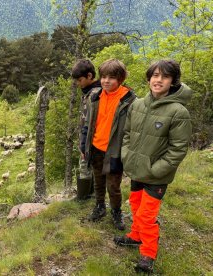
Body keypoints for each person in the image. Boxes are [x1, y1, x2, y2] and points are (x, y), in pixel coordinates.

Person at [114, 59, 192, 273]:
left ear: (173, 81)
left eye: (165, 76)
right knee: (135, 205)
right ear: (149, 78)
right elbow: (127, 134)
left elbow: (178, 149)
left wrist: (155, 169)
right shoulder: (137, 105)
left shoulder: (178, 112)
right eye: (155, 75)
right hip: (137, 168)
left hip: (156, 175)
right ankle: (135, 236)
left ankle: (148, 253)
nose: (159, 80)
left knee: (147, 215)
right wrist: (126, 155)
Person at [81, 59, 136, 230]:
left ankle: (116, 211)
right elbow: (87, 124)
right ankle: (99, 207)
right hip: (96, 148)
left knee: (113, 185)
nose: (106, 81)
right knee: (98, 182)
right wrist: (84, 146)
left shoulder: (129, 100)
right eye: (103, 76)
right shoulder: (95, 97)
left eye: (111, 77)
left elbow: (134, 129)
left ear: (120, 78)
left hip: (115, 152)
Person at [71, 59, 101, 199]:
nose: (78, 83)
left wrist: (84, 145)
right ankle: (89, 195)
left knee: (84, 165)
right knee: (88, 165)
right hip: (87, 138)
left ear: (89, 76)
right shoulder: (89, 91)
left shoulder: (95, 94)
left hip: (90, 139)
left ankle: (83, 198)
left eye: (80, 80)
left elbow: (91, 121)